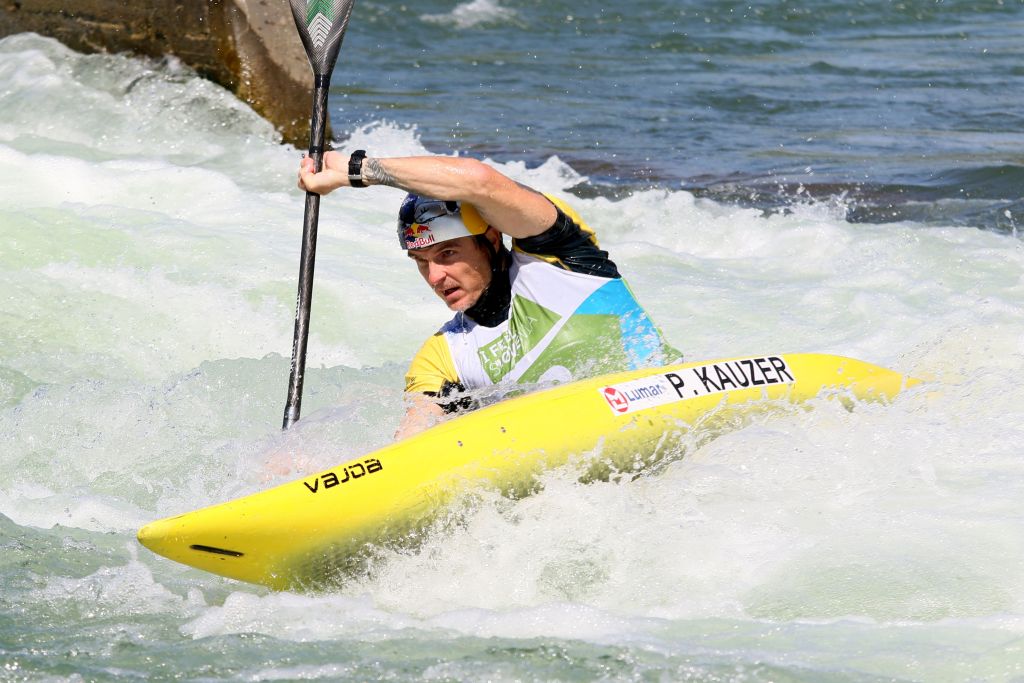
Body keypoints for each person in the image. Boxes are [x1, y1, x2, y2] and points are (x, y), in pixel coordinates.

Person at [298, 151, 680, 437]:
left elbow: (478, 180)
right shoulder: (443, 356)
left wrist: (357, 170)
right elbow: (414, 441)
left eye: (448, 254)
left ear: (492, 238)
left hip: (672, 421)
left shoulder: (561, 257)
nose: (435, 276)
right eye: (421, 261)